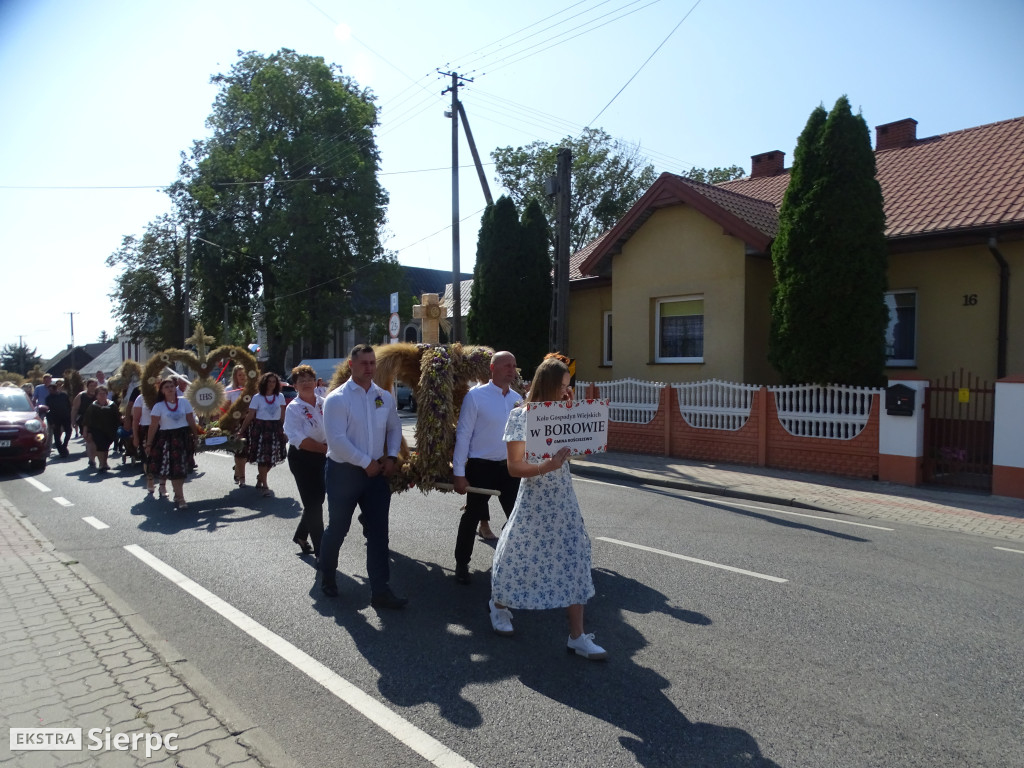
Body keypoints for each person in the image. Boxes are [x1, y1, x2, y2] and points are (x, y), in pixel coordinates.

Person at [488, 357, 607, 661]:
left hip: (563, 497)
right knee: (517, 554)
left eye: (569, 386)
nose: (568, 391)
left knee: (575, 556)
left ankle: (577, 637)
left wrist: (574, 412)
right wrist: (548, 465)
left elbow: (582, 442)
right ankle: (498, 604)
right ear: (550, 385)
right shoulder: (520, 416)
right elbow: (514, 468)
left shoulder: (562, 413)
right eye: (564, 386)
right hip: (534, 497)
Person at [318, 344, 406, 609]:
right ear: (351, 365)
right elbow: (337, 440)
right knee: (338, 528)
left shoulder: (383, 396)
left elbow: (394, 427)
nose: (369, 368)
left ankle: (381, 590)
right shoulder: (337, 398)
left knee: (379, 533)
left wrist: (391, 456)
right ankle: (328, 576)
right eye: (363, 363)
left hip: (376, 473)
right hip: (344, 473)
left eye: (372, 363)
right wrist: (365, 462)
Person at [451, 351, 522, 585]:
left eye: (513, 366)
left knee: (517, 517)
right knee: (472, 515)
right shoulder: (476, 397)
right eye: (506, 366)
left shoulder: (516, 398)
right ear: (493, 368)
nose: (511, 370)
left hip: (510, 468)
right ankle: (462, 563)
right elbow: (463, 434)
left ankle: (511, 561)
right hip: (481, 467)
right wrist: (459, 474)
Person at [283, 364, 327, 557]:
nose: (306, 383)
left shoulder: (325, 402)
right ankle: (322, 551)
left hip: (324, 456)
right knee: (313, 504)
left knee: (318, 499)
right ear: (295, 386)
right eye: (301, 381)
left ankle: (301, 535)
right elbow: (298, 439)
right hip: (302, 459)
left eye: (309, 379)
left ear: (316, 382)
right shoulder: (294, 408)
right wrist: (325, 449)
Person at [145, 376, 200, 509]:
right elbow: (153, 426)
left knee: (182, 468)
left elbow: (190, 420)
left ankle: (177, 494)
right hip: (168, 439)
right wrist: (149, 444)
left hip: (183, 437)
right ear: (162, 391)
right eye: (166, 387)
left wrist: (196, 435)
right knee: (175, 469)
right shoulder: (158, 406)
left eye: (171, 386)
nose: (170, 389)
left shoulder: (184, 402)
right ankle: (180, 498)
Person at [237, 371, 287, 496]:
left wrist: (284, 430)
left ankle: (260, 477)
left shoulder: (280, 397)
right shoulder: (257, 398)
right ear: (264, 383)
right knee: (263, 458)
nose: (271, 384)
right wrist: (241, 431)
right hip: (261, 429)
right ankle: (265, 485)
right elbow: (250, 416)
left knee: (272, 458)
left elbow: (282, 416)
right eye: (269, 381)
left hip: (275, 429)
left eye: (274, 382)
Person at [83, 385, 121, 472]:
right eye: (100, 394)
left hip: (110, 429)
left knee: (106, 447)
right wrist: (85, 431)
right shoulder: (93, 406)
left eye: (104, 394)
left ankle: (105, 462)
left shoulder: (112, 405)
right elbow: (87, 420)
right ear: (96, 395)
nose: (102, 395)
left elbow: (117, 417)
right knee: (100, 446)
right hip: (97, 430)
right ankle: (101, 464)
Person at [223, 364, 251, 485]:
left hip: (250, 421)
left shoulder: (252, 388)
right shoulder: (230, 390)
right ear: (235, 376)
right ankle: (242, 478)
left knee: (249, 451)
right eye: (240, 375)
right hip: (236, 423)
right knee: (240, 449)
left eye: (244, 375)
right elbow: (225, 408)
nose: (242, 377)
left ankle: (238, 469)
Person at [70, 379, 99, 466]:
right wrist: (73, 420)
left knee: (96, 440)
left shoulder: (99, 395)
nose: (93, 388)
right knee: (89, 439)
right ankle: (92, 459)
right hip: (84, 421)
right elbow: (75, 409)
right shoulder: (81, 396)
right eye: (91, 386)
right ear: (87, 386)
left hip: (98, 421)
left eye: (95, 386)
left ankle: (93, 455)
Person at [132, 391, 154, 492]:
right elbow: (136, 419)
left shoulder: (162, 396)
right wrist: (135, 437)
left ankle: (162, 485)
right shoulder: (141, 398)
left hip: (162, 428)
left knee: (162, 457)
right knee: (147, 457)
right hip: (146, 429)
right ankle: (150, 479)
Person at [45, 380, 72, 458]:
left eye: (51, 389)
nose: (50, 391)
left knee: (68, 431)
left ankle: (65, 445)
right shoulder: (48, 398)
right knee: (56, 436)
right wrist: (51, 422)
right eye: (49, 390)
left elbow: (69, 406)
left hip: (65, 417)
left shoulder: (63, 395)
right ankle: (62, 451)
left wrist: (70, 416)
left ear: (55, 389)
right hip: (55, 419)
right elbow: (48, 411)